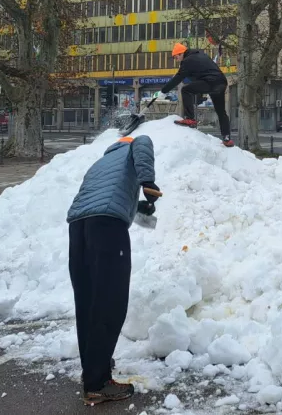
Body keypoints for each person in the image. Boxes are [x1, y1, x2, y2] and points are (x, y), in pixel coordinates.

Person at [66, 134, 160, 406]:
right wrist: (148, 183)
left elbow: (104, 199)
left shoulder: (101, 164)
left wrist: (138, 208)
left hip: (79, 227)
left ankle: (94, 367)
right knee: (110, 301)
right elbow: (143, 142)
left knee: (89, 301)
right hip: (107, 228)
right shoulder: (133, 145)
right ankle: (97, 383)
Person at [160, 42, 234, 147]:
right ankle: (227, 138)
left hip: (210, 82)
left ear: (181, 53)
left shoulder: (187, 61)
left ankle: (190, 119)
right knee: (221, 111)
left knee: (186, 90)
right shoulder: (200, 55)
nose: (176, 60)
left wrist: (163, 91)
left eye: (176, 57)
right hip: (221, 82)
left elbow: (178, 78)